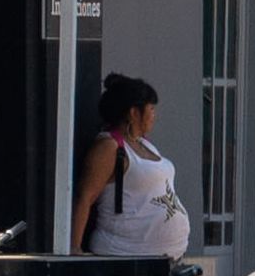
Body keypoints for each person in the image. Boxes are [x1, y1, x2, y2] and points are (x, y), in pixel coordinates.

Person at [73, 74, 192, 257]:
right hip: (124, 254)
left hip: (163, 260)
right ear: (134, 112)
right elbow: (85, 197)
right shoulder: (109, 146)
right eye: (151, 109)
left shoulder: (145, 144)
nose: (154, 115)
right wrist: (74, 248)